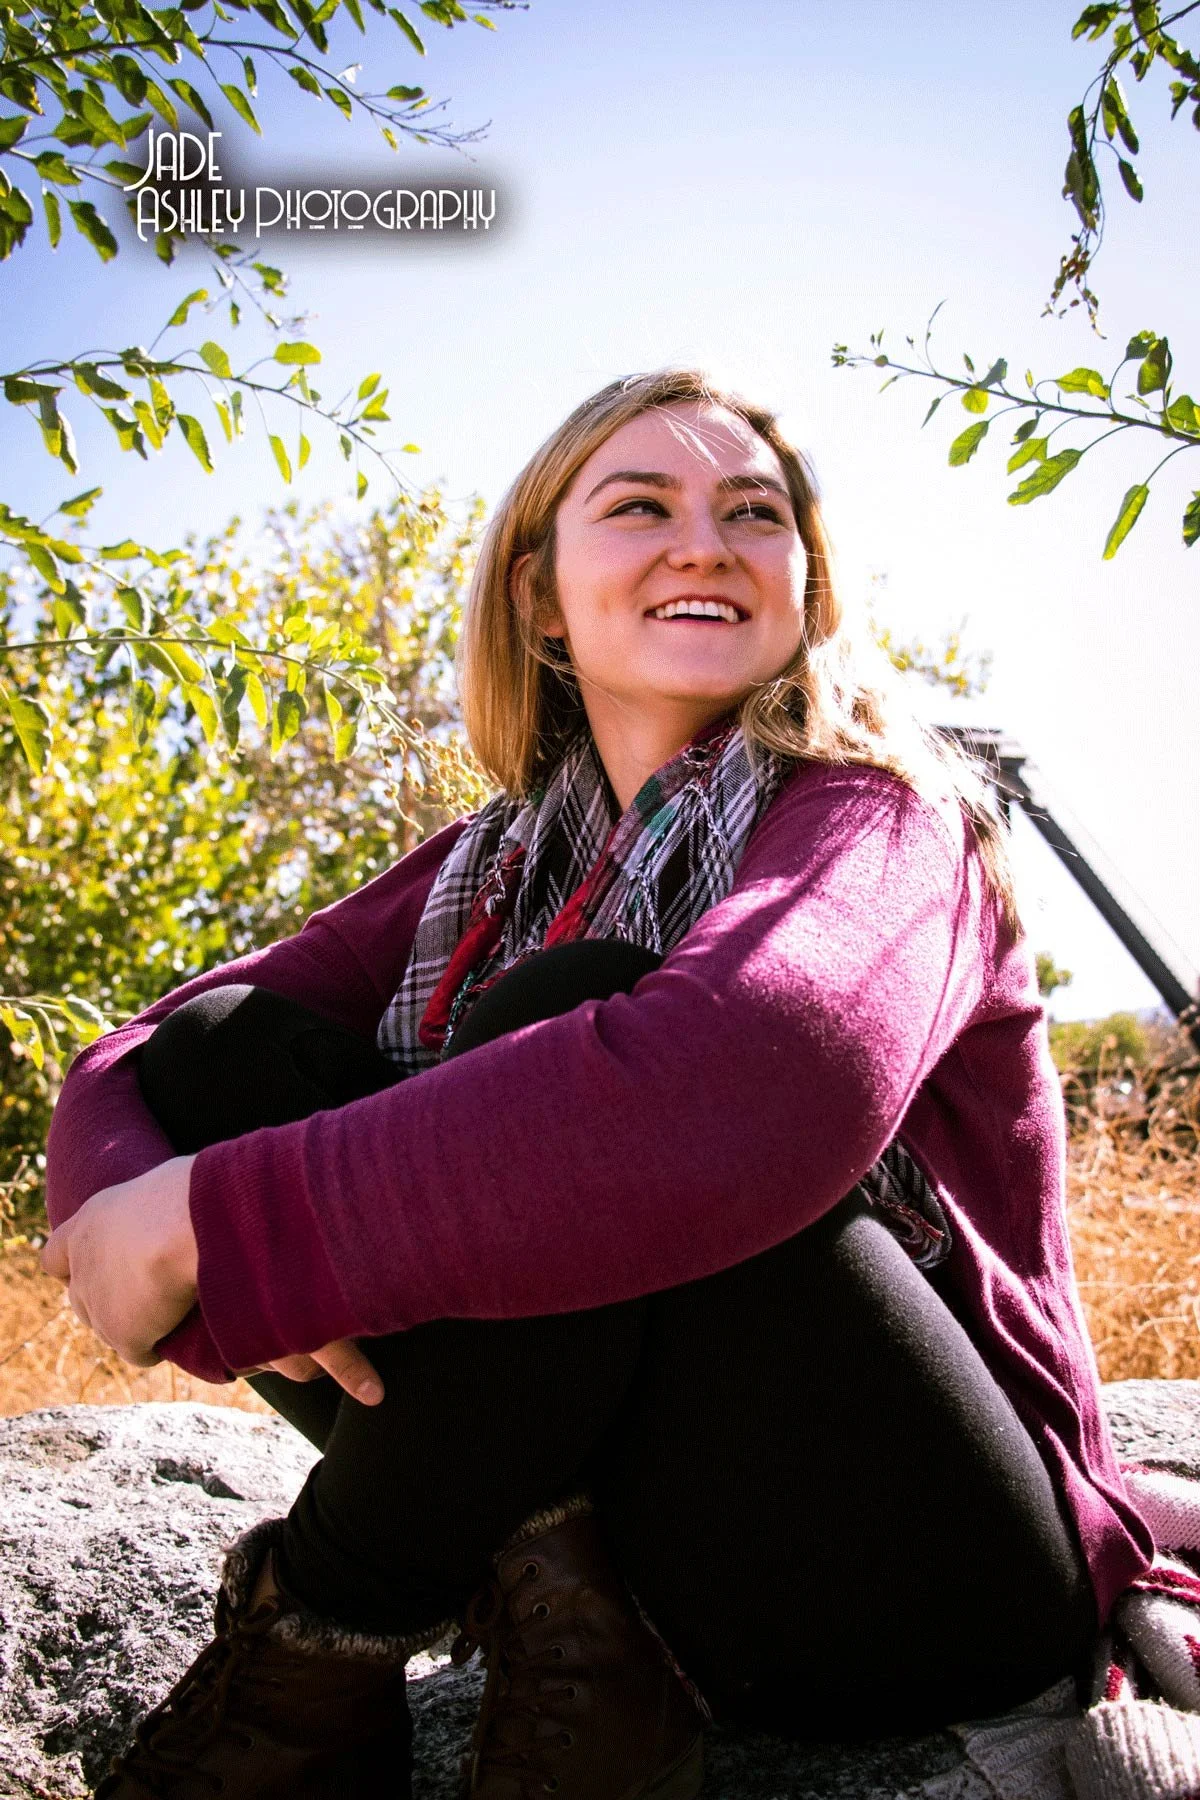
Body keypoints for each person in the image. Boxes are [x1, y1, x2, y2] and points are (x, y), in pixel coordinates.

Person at [41, 368, 1153, 1800]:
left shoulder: (883, 815)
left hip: (914, 1559)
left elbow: (751, 1081)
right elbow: (144, 1057)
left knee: (576, 1020)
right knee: (231, 1053)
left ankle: (313, 1649)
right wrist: (125, 1205)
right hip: (653, 1542)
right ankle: (580, 1637)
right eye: (640, 507)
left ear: (807, 588)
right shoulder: (494, 858)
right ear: (541, 600)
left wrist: (226, 1228)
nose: (705, 542)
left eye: (755, 514)